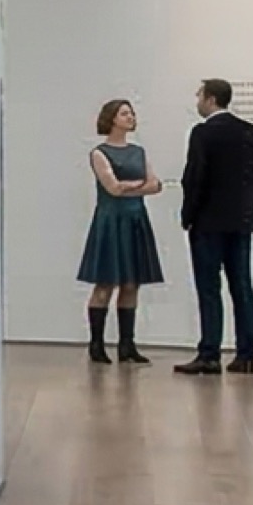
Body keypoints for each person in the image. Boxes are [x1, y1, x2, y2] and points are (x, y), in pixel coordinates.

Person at [175, 78, 253, 376]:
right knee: (242, 286)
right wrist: (246, 209)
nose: (197, 100)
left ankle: (209, 353)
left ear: (211, 99)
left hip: (208, 222)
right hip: (241, 221)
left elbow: (195, 178)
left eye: (199, 95)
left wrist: (188, 215)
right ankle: (246, 354)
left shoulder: (203, 133)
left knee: (209, 288)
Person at [76, 98, 165, 364]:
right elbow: (112, 188)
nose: (130, 117)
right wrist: (140, 185)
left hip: (135, 219)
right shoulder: (99, 152)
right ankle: (96, 344)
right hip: (110, 221)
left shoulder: (139, 151)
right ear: (112, 118)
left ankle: (127, 345)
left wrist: (130, 186)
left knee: (131, 283)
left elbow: (156, 184)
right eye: (125, 113)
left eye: (132, 113)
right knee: (105, 283)